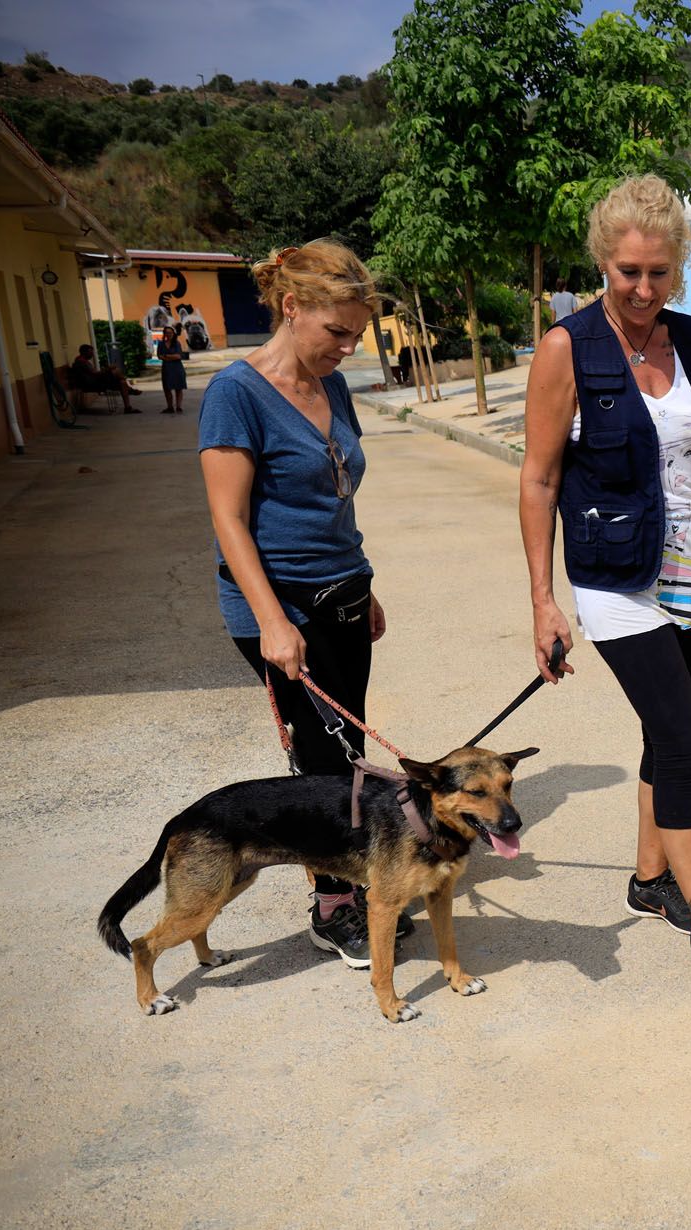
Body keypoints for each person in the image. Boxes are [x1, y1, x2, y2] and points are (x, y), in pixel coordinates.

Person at [519, 173, 691, 999]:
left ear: (678, 268)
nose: (641, 289)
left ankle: (649, 877)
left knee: (669, 728)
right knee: (687, 743)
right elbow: (537, 478)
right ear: (603, 261)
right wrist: (542, 600)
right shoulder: (567, 348)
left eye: (658, 273)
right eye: (627, 271)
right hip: (611, 577)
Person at [196, 239, 409, 969]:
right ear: (292, 307)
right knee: (323, 763)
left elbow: (335, 497)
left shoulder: (332, 385)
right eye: (337, 332)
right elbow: (228, 520)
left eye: (356, 334)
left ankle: (354, 885)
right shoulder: (236, 392)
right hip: (282, 609)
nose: (347, 348)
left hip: (345, 596)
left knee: (350, 756)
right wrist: (271, 622)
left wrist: (365, 583)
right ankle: (333, 908)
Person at [68, 343, 141, 413]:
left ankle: (128, 407)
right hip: (93, 383)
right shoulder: (81, 362)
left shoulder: (83, 361)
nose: (92, 354)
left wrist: (106, 369)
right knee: (115, 371)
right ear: (84, 352)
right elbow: (94, 374)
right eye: (90, 352)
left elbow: (93, 373)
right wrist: (107, 369)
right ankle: (130, 389)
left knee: (122, 383)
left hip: (95, 381)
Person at [156, 319, 187, 414]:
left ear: (173, 333)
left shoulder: (177, 343)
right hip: (166, 369)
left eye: (170, 333)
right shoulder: (161, 344)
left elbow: (178, 356)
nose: (169, 334)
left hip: (177, 368)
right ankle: (170, 407)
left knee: (178, 388)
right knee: (167, 388)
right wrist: (170, 357)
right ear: (164, 334)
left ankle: (178, 407)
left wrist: (166, 356)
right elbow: (159, 356)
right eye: (167, 333)